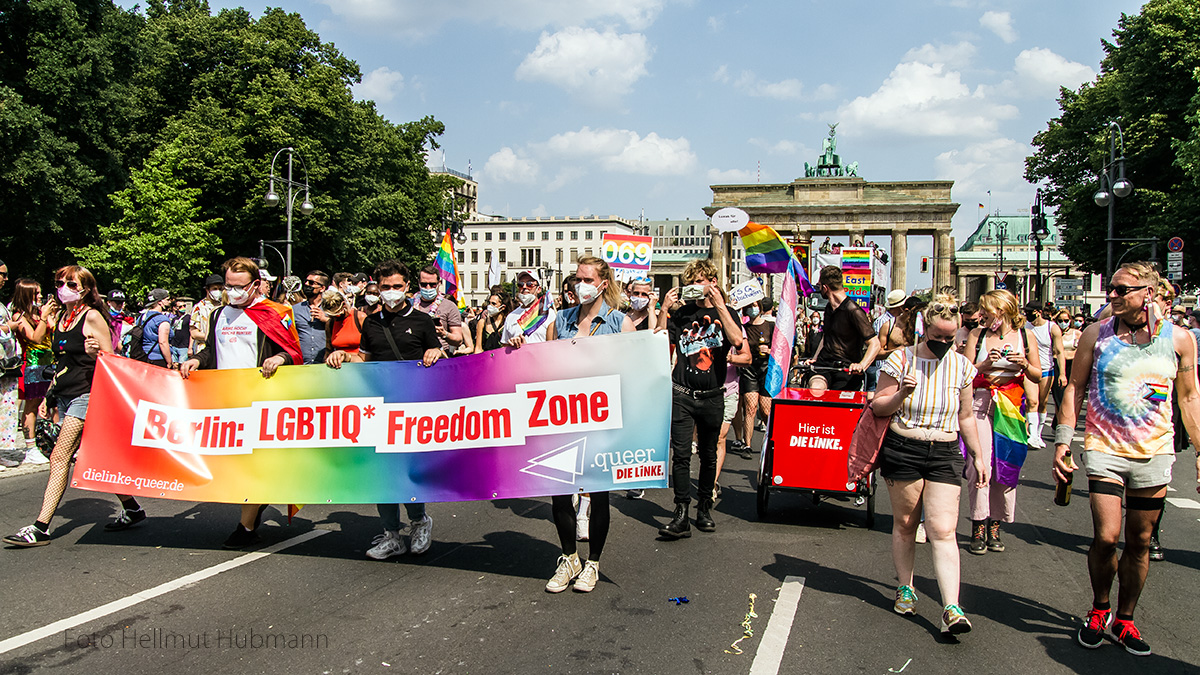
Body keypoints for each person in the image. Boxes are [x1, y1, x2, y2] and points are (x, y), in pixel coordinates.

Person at [1054, 263, 1200, 657]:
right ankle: (1100, 608)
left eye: (1121, 290)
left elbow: (1188, 397)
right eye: (1112, 289)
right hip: (1104, 448)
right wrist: (1063, 442)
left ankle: (1126, 618)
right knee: (1106, 536)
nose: (1112, 296)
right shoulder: (1095, 335)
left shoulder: (1181, 339)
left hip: (1154, 451)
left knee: (1140, 541)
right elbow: (1075, 388)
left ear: (1147, 293)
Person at [3, 265, 146, 546]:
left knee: (59, 456)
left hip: (87, 393)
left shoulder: (92, 316)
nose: (63, 286)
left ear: (85, 288)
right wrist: (49, 396)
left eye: (71, 282)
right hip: (65, 393)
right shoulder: (65, 317)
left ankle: (40, 527)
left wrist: (98, 353)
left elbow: (112, 359)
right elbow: (59, 360)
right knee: (96, 455)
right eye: (60, 282)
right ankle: (132, 508)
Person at [871, 296, 987, 635]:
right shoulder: (900, 359)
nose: (943, 344)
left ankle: (951, 607)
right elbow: (879, 407)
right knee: (906, 524)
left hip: (946, 450)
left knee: (943, 529)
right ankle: (905, 587)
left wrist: (979, 455)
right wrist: (901, 394)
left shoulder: (963, 366)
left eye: (949, 339)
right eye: (937, 337)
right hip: (904, 447)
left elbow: (966, 416)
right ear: (925, 329)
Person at [179, 257, 302, 549]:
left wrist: (278, 358)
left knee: (255, 465)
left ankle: (245, 527)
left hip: (263, 401)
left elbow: (293, 352)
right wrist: (197, 359)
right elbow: (211, 350)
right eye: (228, 286)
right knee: (233, 466)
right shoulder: (217, 314)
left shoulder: (276, 313)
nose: (232, 292)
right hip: (227, 402)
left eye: (239, 287)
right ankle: (255, 507)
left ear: (255, 284)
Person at [324, 259, 440, 560]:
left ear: (407, 288)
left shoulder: (424, 321)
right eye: (385, 287)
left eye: (396, 287)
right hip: (379, 408)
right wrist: (345, 358)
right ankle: (391, 534)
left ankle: (419, 521)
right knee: (381, 473)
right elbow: (366, 359)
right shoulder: (372, 322)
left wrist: (436, 351)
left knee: (408, 471)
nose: (390, 292)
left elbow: (438, 357)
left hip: (413, 409)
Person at [544, 257, 635, 593]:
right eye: (577, 278)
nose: (579, 285)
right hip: (563, 417)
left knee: (598, 493)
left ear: (602, 283)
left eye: (586, 279)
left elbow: (634, 372)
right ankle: (569, 558)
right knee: (558, 494)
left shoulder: (620, 323)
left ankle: (592, 562)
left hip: (601, 420)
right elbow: (546, 361)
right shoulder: (561, 319)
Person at [656, 259, 743, 539]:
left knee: (707, 455)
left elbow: (737, 340)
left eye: (700, 281)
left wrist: (719, 306)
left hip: (713, 395)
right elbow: (658, 339)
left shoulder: (726, 312)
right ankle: (681, 511)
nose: (695, 287)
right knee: (680, 455)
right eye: (690, 282)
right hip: (682, 392)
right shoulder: (683, 314)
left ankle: (704, 507)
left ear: (713, 283)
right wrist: (664, 309)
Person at [963, 290, 1041, 555]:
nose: (982, 315)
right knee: (979, 463)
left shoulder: (1025, 337)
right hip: (982, 402)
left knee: (1005, 465)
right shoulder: (977, 335)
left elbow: (1038, 374)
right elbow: (965, 373)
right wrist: (984, 364)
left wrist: (1024, 364)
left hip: (1011, 405)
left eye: (987, 310)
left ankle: (995, 523)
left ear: (1003, 309)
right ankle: (978, 523)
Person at [806, 265, 880, 391]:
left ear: (825, 287)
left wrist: (861, 365)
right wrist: (815, 358)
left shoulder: (853, 310)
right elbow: (826, 336)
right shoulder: (829, 308)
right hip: (824, 365)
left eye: (819, 286)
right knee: (816, 389)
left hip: (846, 369)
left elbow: (875, 343)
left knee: (837, 404)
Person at [8, 278, 53, 464]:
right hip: (32, 364)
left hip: (47, 362)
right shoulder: (20, 316)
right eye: (36, 293)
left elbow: (53, 330)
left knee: (47, 403)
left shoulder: (38, 313)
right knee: (31, 406)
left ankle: (46, 441)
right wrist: (44, 317)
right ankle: (30, 447)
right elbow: (35, 337)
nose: (40, 296)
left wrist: (49, 316)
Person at [1023, 302, 1066, 449]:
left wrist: (1062, 374)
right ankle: (1032, 435)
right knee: (1032, 401)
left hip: (1047, 369)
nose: (1028, 316)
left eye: (1031, 313)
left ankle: (1038, 434)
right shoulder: (1025, 327)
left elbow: (1059, 352)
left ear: (1039, 312)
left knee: (1042, 402)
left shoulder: (1051, 327)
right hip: (1029, 369)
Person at [738, 299, 774, 456]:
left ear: (760, 307)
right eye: (749, 307)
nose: (752, 309)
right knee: (750, 408)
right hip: (749, 370)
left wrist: (770, 350)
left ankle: (773, 439)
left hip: (766, 369)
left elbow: (782, 350)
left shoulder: (770, 326)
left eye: (754, 306)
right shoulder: (743, 329)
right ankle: (747, 444)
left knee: (766, 410)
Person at [413, 265, 464, 356]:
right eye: (424, 284)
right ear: (418, 283)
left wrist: (444, 334)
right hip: (414, 356)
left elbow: (458, 339)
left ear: (439, 283)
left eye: (432, 284)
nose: (428, 288)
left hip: (440, 357)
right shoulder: (409, 304)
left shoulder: (449, 306)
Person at [503, 270, 556, 347]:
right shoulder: (511, 316)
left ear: (538, 289)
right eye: (521, 284)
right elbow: (505, 346)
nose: (524, 287)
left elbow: (554, 345)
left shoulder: (549, 314)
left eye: (529, 284)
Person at [293, 270, 329, 364]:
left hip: (325, 365)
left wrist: (326, 320)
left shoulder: (331, 309)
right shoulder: (295, 310)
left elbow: (341, 330)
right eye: (306, 281)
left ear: (322, 288)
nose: (306, 284)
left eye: (311, 283)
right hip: (301, 365)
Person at [137, 289, 174, 369]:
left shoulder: (141, 317)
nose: (169, 302)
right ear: (160, 302)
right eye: (167, 299)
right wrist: (169, 362)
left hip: (142, 356)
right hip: (158, 358)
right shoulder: (162, 319)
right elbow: (163, 342)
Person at [189, 274, 224, 356]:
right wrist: (212, 337)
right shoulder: (199, 308)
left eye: (220, 289)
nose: (218, 291)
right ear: (207, 290)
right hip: (204, 350)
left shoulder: (225, 306)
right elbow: (194, 333)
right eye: (214, 289)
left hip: (222, 350)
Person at [168, 297, 192, 367]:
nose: (183, 308)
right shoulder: (174, 319)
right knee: (174, 365)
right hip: (174, 345)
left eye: (184, 306)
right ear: (175, 308)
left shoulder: (188, 318)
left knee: (182, 365)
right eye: (180, 306)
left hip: (184, 346)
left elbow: (191, 333)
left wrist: (190, 347)